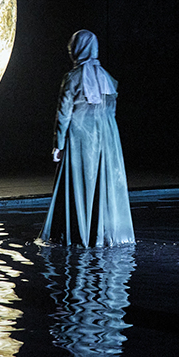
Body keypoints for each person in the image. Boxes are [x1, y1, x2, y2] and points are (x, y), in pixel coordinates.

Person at [39, 30, 135, 246]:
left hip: (80, 139)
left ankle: (77, 233)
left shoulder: (72, 78)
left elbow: (64, 113)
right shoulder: (107, 78)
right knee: (102, 185)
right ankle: (102, 234)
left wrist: (58, 145)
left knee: (80, 186)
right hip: (107, 141)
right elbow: (111, 113)